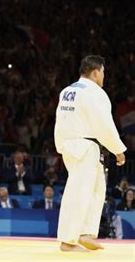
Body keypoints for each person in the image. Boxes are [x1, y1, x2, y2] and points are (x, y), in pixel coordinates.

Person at [54, 55, 126, 252]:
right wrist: (118, 150)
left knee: (95, 188)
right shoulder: (95, 92)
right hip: (85, 145)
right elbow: (104, 125)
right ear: (95, 72)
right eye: (103, 72)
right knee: (79, 191)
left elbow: (60, 121)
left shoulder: (67, 91)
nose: (104, 77)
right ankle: (68, 240)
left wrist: (61, 146)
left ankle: (85, 233)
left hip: (72, 144)